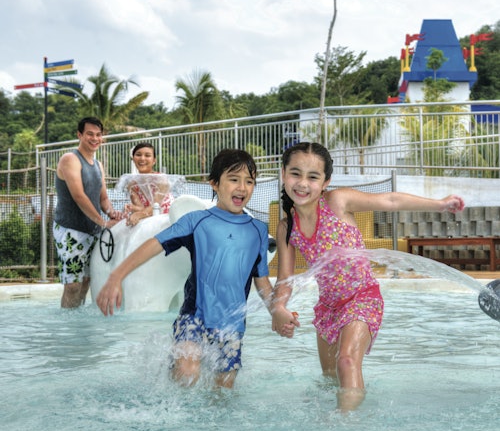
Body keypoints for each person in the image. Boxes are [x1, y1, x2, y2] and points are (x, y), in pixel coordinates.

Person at [271, 142, 465, 411]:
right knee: (330, 379)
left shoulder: (336, 202)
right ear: (283, 174)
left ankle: (345, 428)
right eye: (295, 173)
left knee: (346, 361)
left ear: (325, 182)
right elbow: (284, 279)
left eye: (313, 177)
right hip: (328, 307)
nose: (302, 183)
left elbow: (391, 200)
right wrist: (279, 308)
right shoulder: (286, 227)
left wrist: (440, 204)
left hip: (363, 297)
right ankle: (333, 419)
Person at [96, 149, 273, 389]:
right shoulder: (196, 220)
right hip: (194, 316)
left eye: (249, 181)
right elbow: (154, 244)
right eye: (233, 179)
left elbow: (261, 281)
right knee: (187, 371)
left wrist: (278, 310)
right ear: (214, 183)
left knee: (222, 391)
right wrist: (117, 275)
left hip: (232, 326)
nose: (242, 187)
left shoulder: (258, 230)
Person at [53, 116, 122, 309]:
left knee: (86, 282)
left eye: (98, 135)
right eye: (89, 134)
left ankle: (78, 325)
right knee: (73, 285)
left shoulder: (98, 165)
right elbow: (79, 196)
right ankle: (67, 324)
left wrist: (112, 213)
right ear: (79, 135)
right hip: (70, 230)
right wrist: (103, 223)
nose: (95, 138)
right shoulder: (70, 159)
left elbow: (103, 199)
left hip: (92, 230)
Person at [124, 142, 175, 226]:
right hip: (149, 221)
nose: (142, 158)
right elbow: (142, 209)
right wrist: (132, 208)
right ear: (133, 159)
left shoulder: (161, 179)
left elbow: (156, 207)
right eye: (138, 155)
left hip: (168, 219)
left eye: (147, 155)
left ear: (154, 160)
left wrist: (139, 214)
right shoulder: (132, 185)